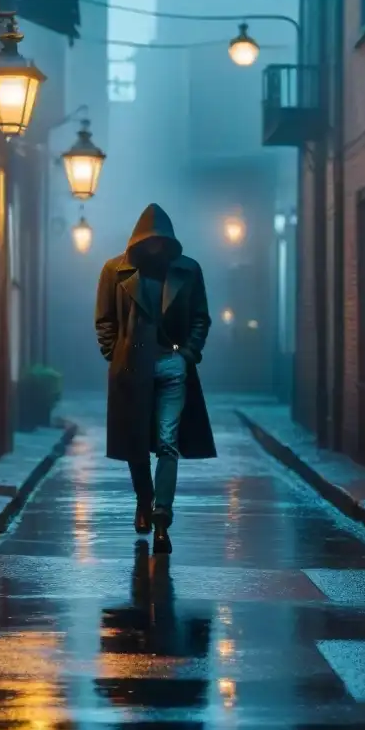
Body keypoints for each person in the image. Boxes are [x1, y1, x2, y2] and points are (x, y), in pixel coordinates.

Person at [94, 203, 217, 554]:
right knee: (136, 443)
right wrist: (116, 356)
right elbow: (105, 321)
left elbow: (200, 318)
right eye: (150, 242)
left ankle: (162, 516)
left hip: (172, 366)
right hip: (132, 367)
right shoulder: (113, 270)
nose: (155, 247)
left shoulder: (188, 271)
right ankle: (143, 503)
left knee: (167, 441)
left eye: (160, 242)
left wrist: (186, 355)